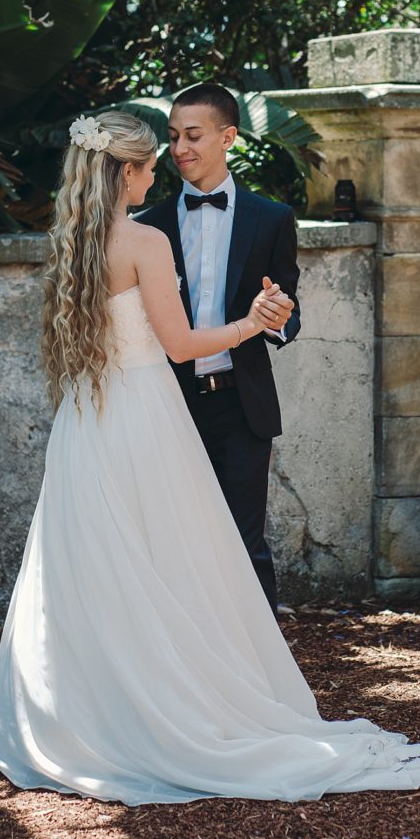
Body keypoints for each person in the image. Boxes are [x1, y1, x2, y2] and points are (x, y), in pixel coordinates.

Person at [0, 109, 420, 805]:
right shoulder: (142, 240)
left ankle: (88, 709)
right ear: (125, 171)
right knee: (175, 559)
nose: (159, 170)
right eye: (147, 164)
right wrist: (249, 324)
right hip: (144, 417)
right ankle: (179, 699)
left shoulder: (72, 240)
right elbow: (179, 346)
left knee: (95, 564)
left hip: (85, 423)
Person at [137, 83, 299, 618]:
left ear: (228, 136)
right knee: (174, 542)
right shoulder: (148, 226)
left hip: (240, 403)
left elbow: (288, 308)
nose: (179, 148)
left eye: (193, 136)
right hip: (168, 405)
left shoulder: (271, 217)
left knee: (245, 546)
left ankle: (262, 677)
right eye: (174, 136)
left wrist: (278, 319)